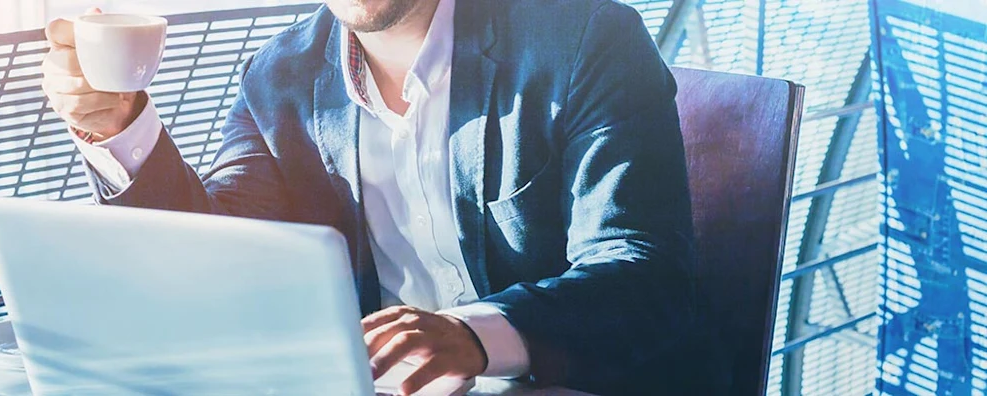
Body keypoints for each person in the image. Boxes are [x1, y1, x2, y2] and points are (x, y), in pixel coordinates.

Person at [41, 0, 729, 394]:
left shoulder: (581, 38)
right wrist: (121, 127)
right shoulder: (281, 75)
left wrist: (471, 336)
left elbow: (645, 272)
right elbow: (220, 258)